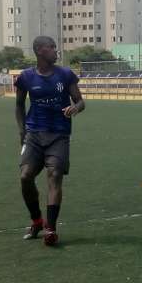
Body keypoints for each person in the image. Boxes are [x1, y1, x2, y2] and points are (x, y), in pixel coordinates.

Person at [15, 36, 85, 246]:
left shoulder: (65, 74)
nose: (56, 51)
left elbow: (80, 101)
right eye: (52, 48)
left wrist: (75, 108)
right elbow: (19, 106)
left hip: (59, 134)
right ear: (39, 51)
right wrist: (21, 131)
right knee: (25, 177)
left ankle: (51, 229)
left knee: (54, 175)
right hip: (34, 134)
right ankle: (37, 221)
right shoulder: (26, 77)